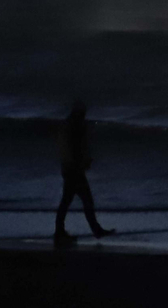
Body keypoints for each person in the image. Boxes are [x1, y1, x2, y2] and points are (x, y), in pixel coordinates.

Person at [54, 100, 113, 245]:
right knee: (83, 200)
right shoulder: (74, 127)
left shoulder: (70, 126)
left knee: (68, 201)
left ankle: (60, 232)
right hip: (73, 170)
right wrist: (81, 163)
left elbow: (68, 149)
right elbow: (74, 149)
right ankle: (94, 230)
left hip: (70, 169)